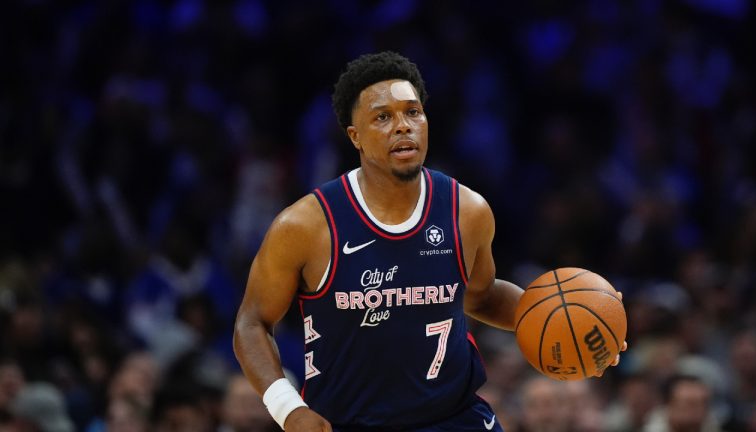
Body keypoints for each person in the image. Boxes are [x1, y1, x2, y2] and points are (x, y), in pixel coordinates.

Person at [233, 51, 625, 431]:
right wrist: (288, 409)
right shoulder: (304, 225)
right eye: (383, 117)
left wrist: (574, 319)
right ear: (355, 136)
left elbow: (481, 296)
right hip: (348, 422)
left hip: (454, 417)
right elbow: (252, 322)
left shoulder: (466, 210)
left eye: (413, 112)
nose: (403, 126)